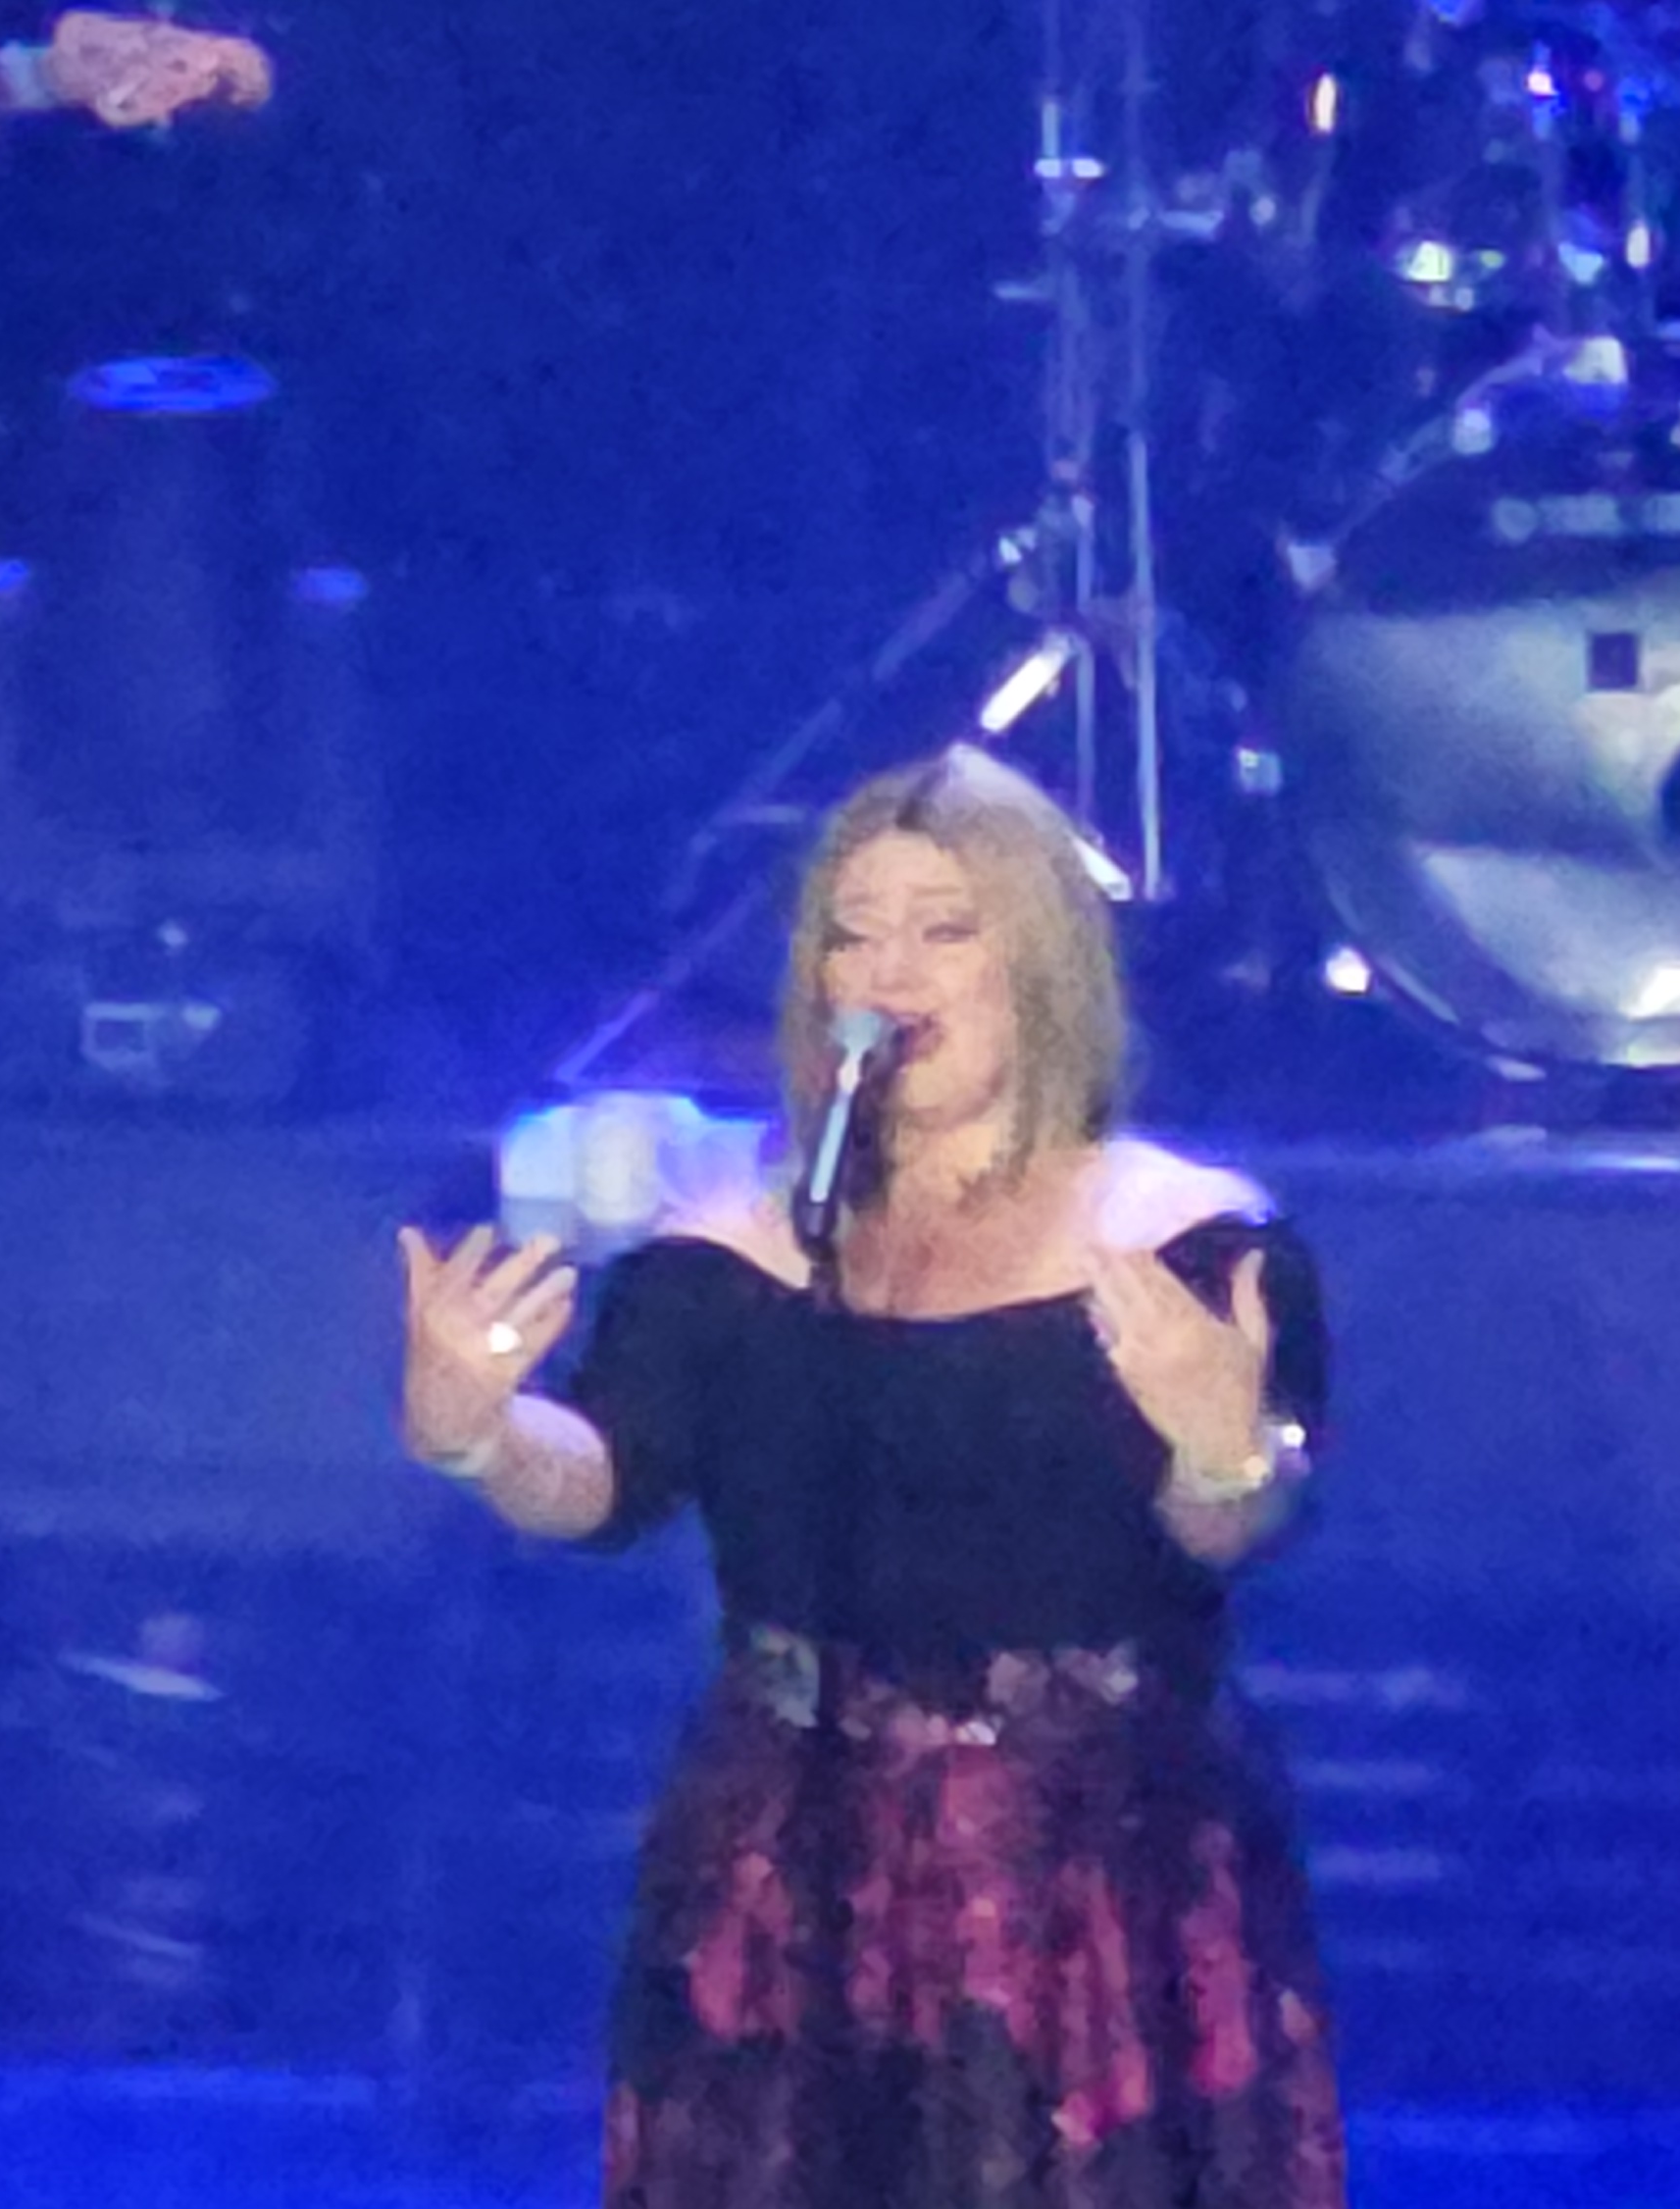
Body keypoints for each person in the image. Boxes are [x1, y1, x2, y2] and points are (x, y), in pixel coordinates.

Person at [394, 746, 1347, 2209]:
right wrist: (476, 1430)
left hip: (1087, 1868)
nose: (890, 969)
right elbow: (605, 1481)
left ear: (1040, 961)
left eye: (945, 928)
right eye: (854, 933)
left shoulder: (1186, 1240)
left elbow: (1230, 1528)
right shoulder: (735, 1251)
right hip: (786, 1854)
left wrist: (1223, 1443)